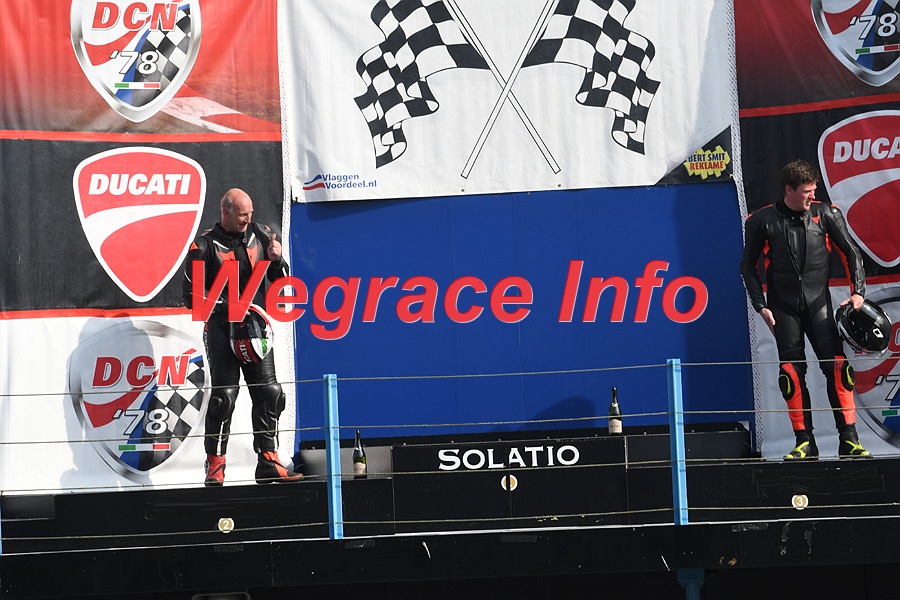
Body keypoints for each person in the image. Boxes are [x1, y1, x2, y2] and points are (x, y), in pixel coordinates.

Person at [740, 159, 870, 459]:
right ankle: (804, 442)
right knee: (790, 373)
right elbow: (747, 267)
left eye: (814, 190)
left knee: (838, 368)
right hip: (783, 308)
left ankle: (849, 441)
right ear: (789, 190)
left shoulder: (827, 214)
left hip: (818, 304)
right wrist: (760, 306)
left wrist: (858, 293)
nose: (813, 196)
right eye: (807, 191)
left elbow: (852, 253)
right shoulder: (761, 220)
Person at [182, 188, 301, 485]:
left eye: (250, 214)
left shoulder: (262, 235)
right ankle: (215, 464)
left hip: (254, 329)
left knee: (270, 392)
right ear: (225, 212)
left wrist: (277, 261)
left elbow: (282, 284)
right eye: (242, 215)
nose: (248, 219)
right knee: (224, 396)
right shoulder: (203, 245)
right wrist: (230, 306)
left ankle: (268, 460)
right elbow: (191, 297)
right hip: (222, 329)